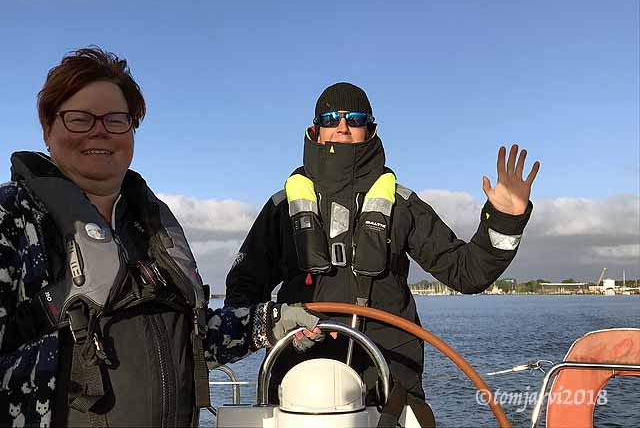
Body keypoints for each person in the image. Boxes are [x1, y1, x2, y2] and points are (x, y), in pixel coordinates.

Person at [0, 47, 322, 427]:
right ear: (47, 130)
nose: (99, 130)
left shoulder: (151, 230)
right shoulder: (12, 220)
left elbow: (190, 340)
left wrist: (268, 323)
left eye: (116, 120)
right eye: (79, 119)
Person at [225, 82, 540, 407]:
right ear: (316, 131)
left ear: (370, 129)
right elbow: (243, 288)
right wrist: (274, 323)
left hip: (388, 378)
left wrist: (505, 219)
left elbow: (467, 273)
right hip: (297, 375)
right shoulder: (281, 208)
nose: (342, 127)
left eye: (355, 119)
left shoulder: (402, 204)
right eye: (331, 119)